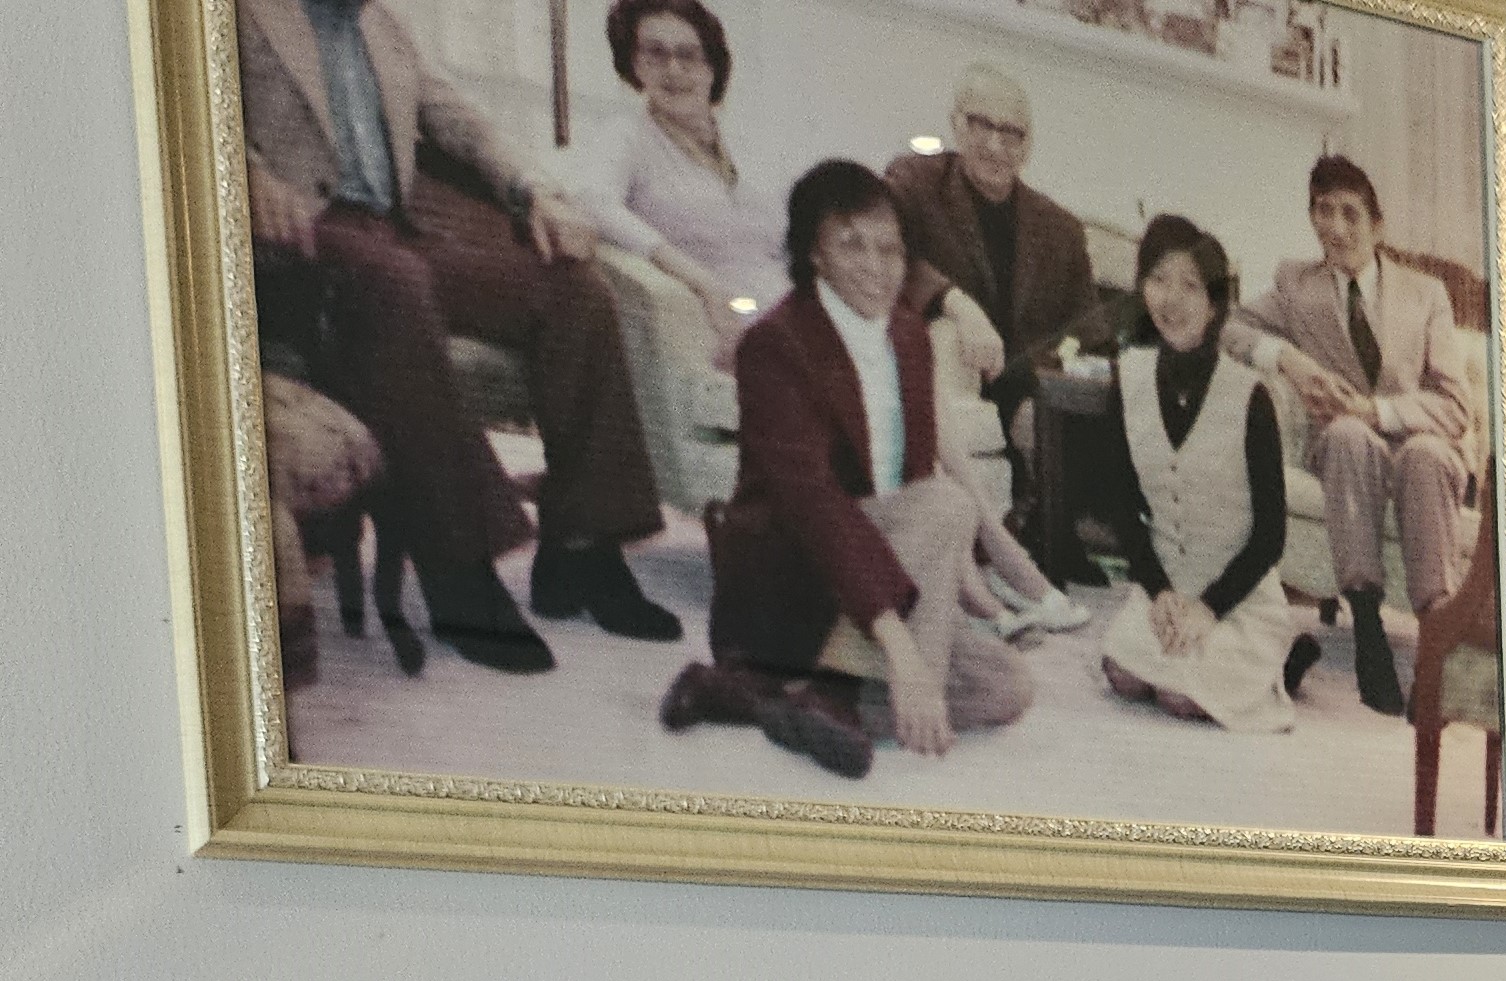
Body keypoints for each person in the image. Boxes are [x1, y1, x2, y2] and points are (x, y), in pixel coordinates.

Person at [240, 0, 678, 671]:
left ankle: (582, 552)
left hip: (395, 234)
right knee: (394, 283)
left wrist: (535, 191)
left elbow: (462, 123)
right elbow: (187, 116)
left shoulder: (382, 25)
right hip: (297, 242)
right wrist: (246, 174)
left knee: (572, 289)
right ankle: (460, 575)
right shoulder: (237, 14)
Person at [664, 162, 1032, 780]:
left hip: (880, 572)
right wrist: (902, 652)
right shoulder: (776, 345)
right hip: (790, 578)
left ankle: (760, 698)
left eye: (890, 248)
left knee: (1007, 687)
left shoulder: (909, 337)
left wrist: (964, 592)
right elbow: (815, 505)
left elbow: (909, 482)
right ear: (813, 252)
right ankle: (836, 688)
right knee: (946, 503)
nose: (876, 266)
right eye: (851, 244)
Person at [1225, 155, 1472, 715]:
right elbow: (1230, 327)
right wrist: (1286, 357)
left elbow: (1454, 406)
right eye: (1322, 211)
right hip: (1346, 453)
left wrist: (1376, 409)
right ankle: (1367, 630)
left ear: (1377, 226)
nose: (1334, 228)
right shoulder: (1297, 285)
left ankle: (1437, 644)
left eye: (1349, 214)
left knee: (1426, 455)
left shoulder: (1426, 294)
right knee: (1343, 436)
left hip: (1417, 440)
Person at [1097, 218, 1318, 734]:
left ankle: (1283, 658)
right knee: (1123, 677)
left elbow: (1270, 537)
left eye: (1190, 285)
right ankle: (1224, 656)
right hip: (1168, 586)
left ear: (1216, 303)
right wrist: (1160, 594)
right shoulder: (1125, 376)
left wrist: (1207, 610)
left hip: (1235, 594)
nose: (1170, 299)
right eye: (1158, 280)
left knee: (1179, 697)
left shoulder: (1250, 397)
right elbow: (1122, 507)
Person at [564, 0, 791, 365]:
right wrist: (699, 279)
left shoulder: (748, 142)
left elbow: (788, 237)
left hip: (787, 315)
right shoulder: (627, 136)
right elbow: (592, 202)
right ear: (634, 65)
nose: (673, 70)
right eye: (655, 54)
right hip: (713, 327)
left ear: (712, 67)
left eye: (688, 55)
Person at [886, 65, 1105, 440]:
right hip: (938, 382)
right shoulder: (915, 184)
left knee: (1059, 423)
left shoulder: (1061, 231)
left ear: (1028, 145)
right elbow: (888, 259)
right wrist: (954, 302)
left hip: (1027, 391)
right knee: (950, 339)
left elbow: (1088, 331)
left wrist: (1054, 363)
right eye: (981, 124)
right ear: (956, 123)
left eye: (1010, 132)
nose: (994, 145)